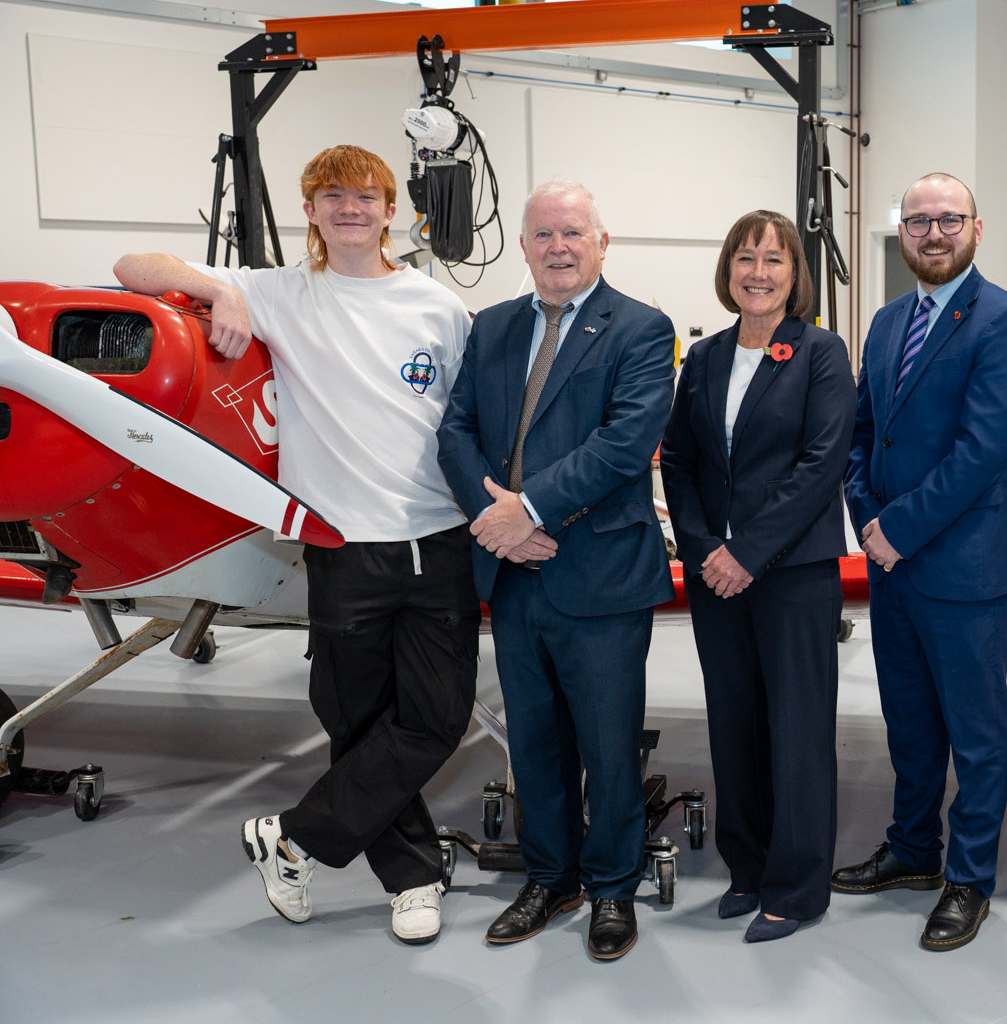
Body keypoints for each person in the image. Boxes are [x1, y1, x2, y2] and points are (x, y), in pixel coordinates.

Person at [112, 144, 480, 947]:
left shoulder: (438, 306)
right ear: (309, 210)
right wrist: (219, 290)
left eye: (366, 196)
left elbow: (468, 419)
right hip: (342, 543)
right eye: (332, 195)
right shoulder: (279, 290)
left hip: (437, 538)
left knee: (437, 717)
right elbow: (132, 266)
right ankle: (413, 878)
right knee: (356, 718)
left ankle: (295, 837)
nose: (351, 208)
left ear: (391, 210)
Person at [435, 180, 674, 961]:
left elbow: (625, 442)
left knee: (608, 746)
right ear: (524, 247)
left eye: (573, 232)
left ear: (602, 243)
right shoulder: (494, 327)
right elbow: (456, 430)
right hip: (514, 575)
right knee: (533, 742)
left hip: (598, 570)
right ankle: (550, 876)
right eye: (542, 234)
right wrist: (498, 521)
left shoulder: (642, 328)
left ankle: (612, 885)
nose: (558, 246)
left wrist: (528, 512)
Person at [833, 173, 1007, 951]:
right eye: (918, 221)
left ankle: (969, 877)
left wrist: (898, 528)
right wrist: (867, 519)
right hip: (891, 563)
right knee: (910, 723)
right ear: (902, 233)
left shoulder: (1005, 322)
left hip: (958, 565)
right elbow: (862, 433)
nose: (933, 233)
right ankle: (913, 848)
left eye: (949, 219)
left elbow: (981, 452)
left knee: (976, 733)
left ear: (976, 229)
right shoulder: (888, 321)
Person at [659, 210, 854, 944]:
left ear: (794, 273)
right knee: (734, 722)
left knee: (796, 729)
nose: (759, 272)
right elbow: (679, 460)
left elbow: (821, 464)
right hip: (716, 573)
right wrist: (704, 547)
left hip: (792, 572)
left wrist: (748, 551)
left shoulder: (820, 353)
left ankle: (798, 886)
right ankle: (748, 868)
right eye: (746, 257)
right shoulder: (706, 357)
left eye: (774, 259)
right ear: (728, 270)